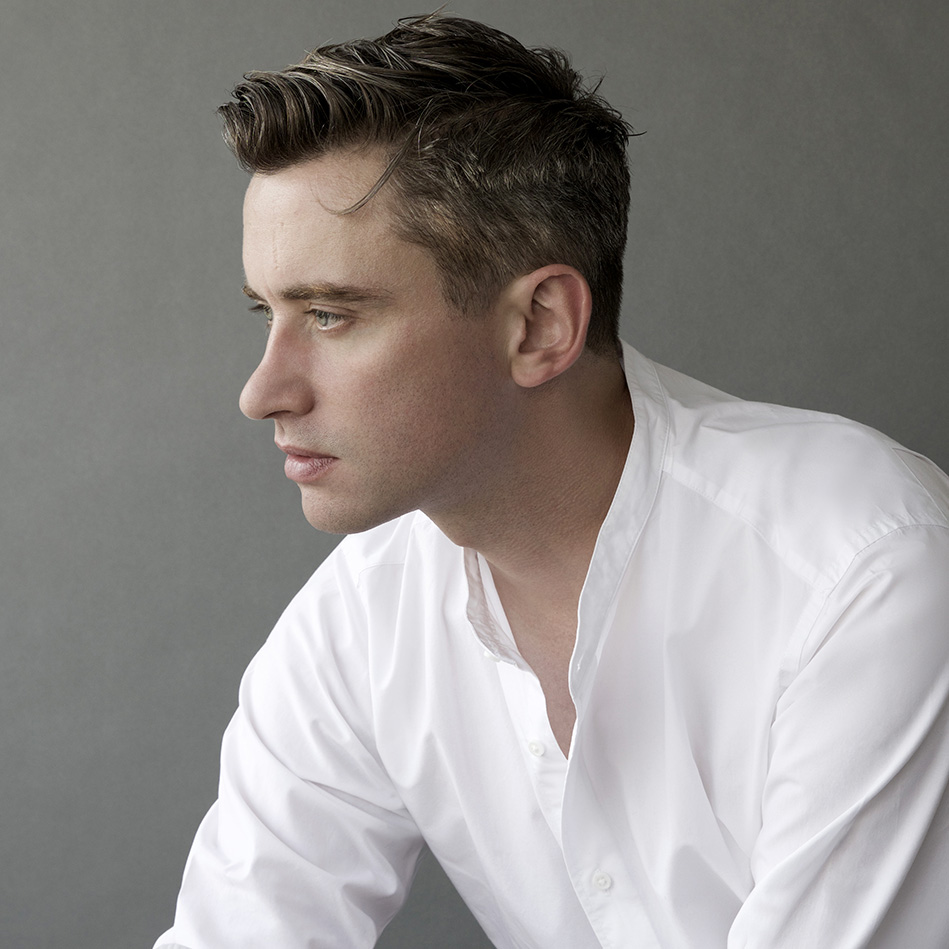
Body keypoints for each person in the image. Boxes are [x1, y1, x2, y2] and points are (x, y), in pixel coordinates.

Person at [155, 13, 949, 949]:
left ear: (539, 324)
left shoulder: (860, 569)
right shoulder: (360, 620)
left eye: (330, 315)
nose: (262, 393)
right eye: (268, 313)